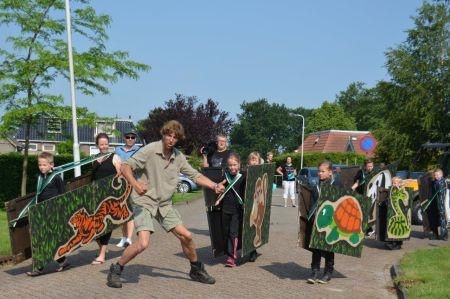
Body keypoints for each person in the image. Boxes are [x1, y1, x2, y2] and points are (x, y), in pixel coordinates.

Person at [107, 120, 225, 288]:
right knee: (143, 243)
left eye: (175, 137)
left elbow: (195, 175)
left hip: (164, 204)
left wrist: (214, 185)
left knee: (187, 236)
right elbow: (126, 166)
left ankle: (195, 269)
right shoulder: (149, 150)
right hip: (144, 201)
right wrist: (136, 184)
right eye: (169, 135)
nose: (171, 139)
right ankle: (116, 269)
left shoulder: (178, 157)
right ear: (163, 134)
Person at [27, 152, 69, 276]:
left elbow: (62, 194)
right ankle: (62, 261)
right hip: (41, 212)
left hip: (53, 212)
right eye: (40, 164)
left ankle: (39, 267)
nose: (41, 167)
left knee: (48, 239)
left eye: (44, 165)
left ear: (51, 165)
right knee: (42, 238)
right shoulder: (39, 177)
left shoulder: (56, 177)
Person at [306, 160, 341, 284]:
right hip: (317, 220)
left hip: (331, 221)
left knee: (328, 247)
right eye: (319, 171)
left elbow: (340, 201)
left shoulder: (336, 184)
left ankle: (328, 272)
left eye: (322, 171)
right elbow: (311, 201)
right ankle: (314, 271)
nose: (320, 174)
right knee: (316, 246)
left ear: (330, 172)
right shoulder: (315, 184)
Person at [91, 133, 122, 265]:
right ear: (97, 145)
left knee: (106, 226)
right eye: (101, 144)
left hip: (110, 197)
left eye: (106, 144)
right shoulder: (94, 160)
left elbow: (120, 176)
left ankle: (102, 254)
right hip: (97, 197)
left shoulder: (114, 157)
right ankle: (102, 250)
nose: (104, 146)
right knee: (95, 227)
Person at [217, 153, 247, 267]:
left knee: (233, 233)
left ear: (239, 165)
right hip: (225, 209)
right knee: (226, 232)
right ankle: (229, 252)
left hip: (237, 210)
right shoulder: (225, 176)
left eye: (234, 164)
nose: (232, 167)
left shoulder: (243, 176)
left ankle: (231, 258)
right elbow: (219, 187)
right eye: (230, 165)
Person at [114, 129, 141, 248]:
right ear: (124, 138)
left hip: (132, 182)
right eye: (128, 137)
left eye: (133, 137)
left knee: (129, 211)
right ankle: (123, 237)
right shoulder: (117, 150)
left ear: (135, 139)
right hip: (120, 183)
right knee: (121, 212)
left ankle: (129, 238)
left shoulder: (139, 150)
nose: (130, 139)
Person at [382, 177, 404, 250]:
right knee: (391, 227)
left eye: (395, 183)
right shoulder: (390, 191)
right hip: (391, 213)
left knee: (398, 227)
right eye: (392, 183)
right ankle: (390, 242)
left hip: (399, 213)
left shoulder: (402, 191)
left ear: (399, 183)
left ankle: (397, 243)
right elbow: (387, 200)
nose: (393, 184)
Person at [427, 169, 448, 240]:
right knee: (434, 219)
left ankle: (444, 235)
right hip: (435, 203)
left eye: (437, 175)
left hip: (442, 203)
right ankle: (435, 234)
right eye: (435, 175)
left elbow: (442, 193)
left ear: (441, 175)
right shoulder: (434, 182)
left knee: (442, 219)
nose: (436, 176)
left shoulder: (443, 182)